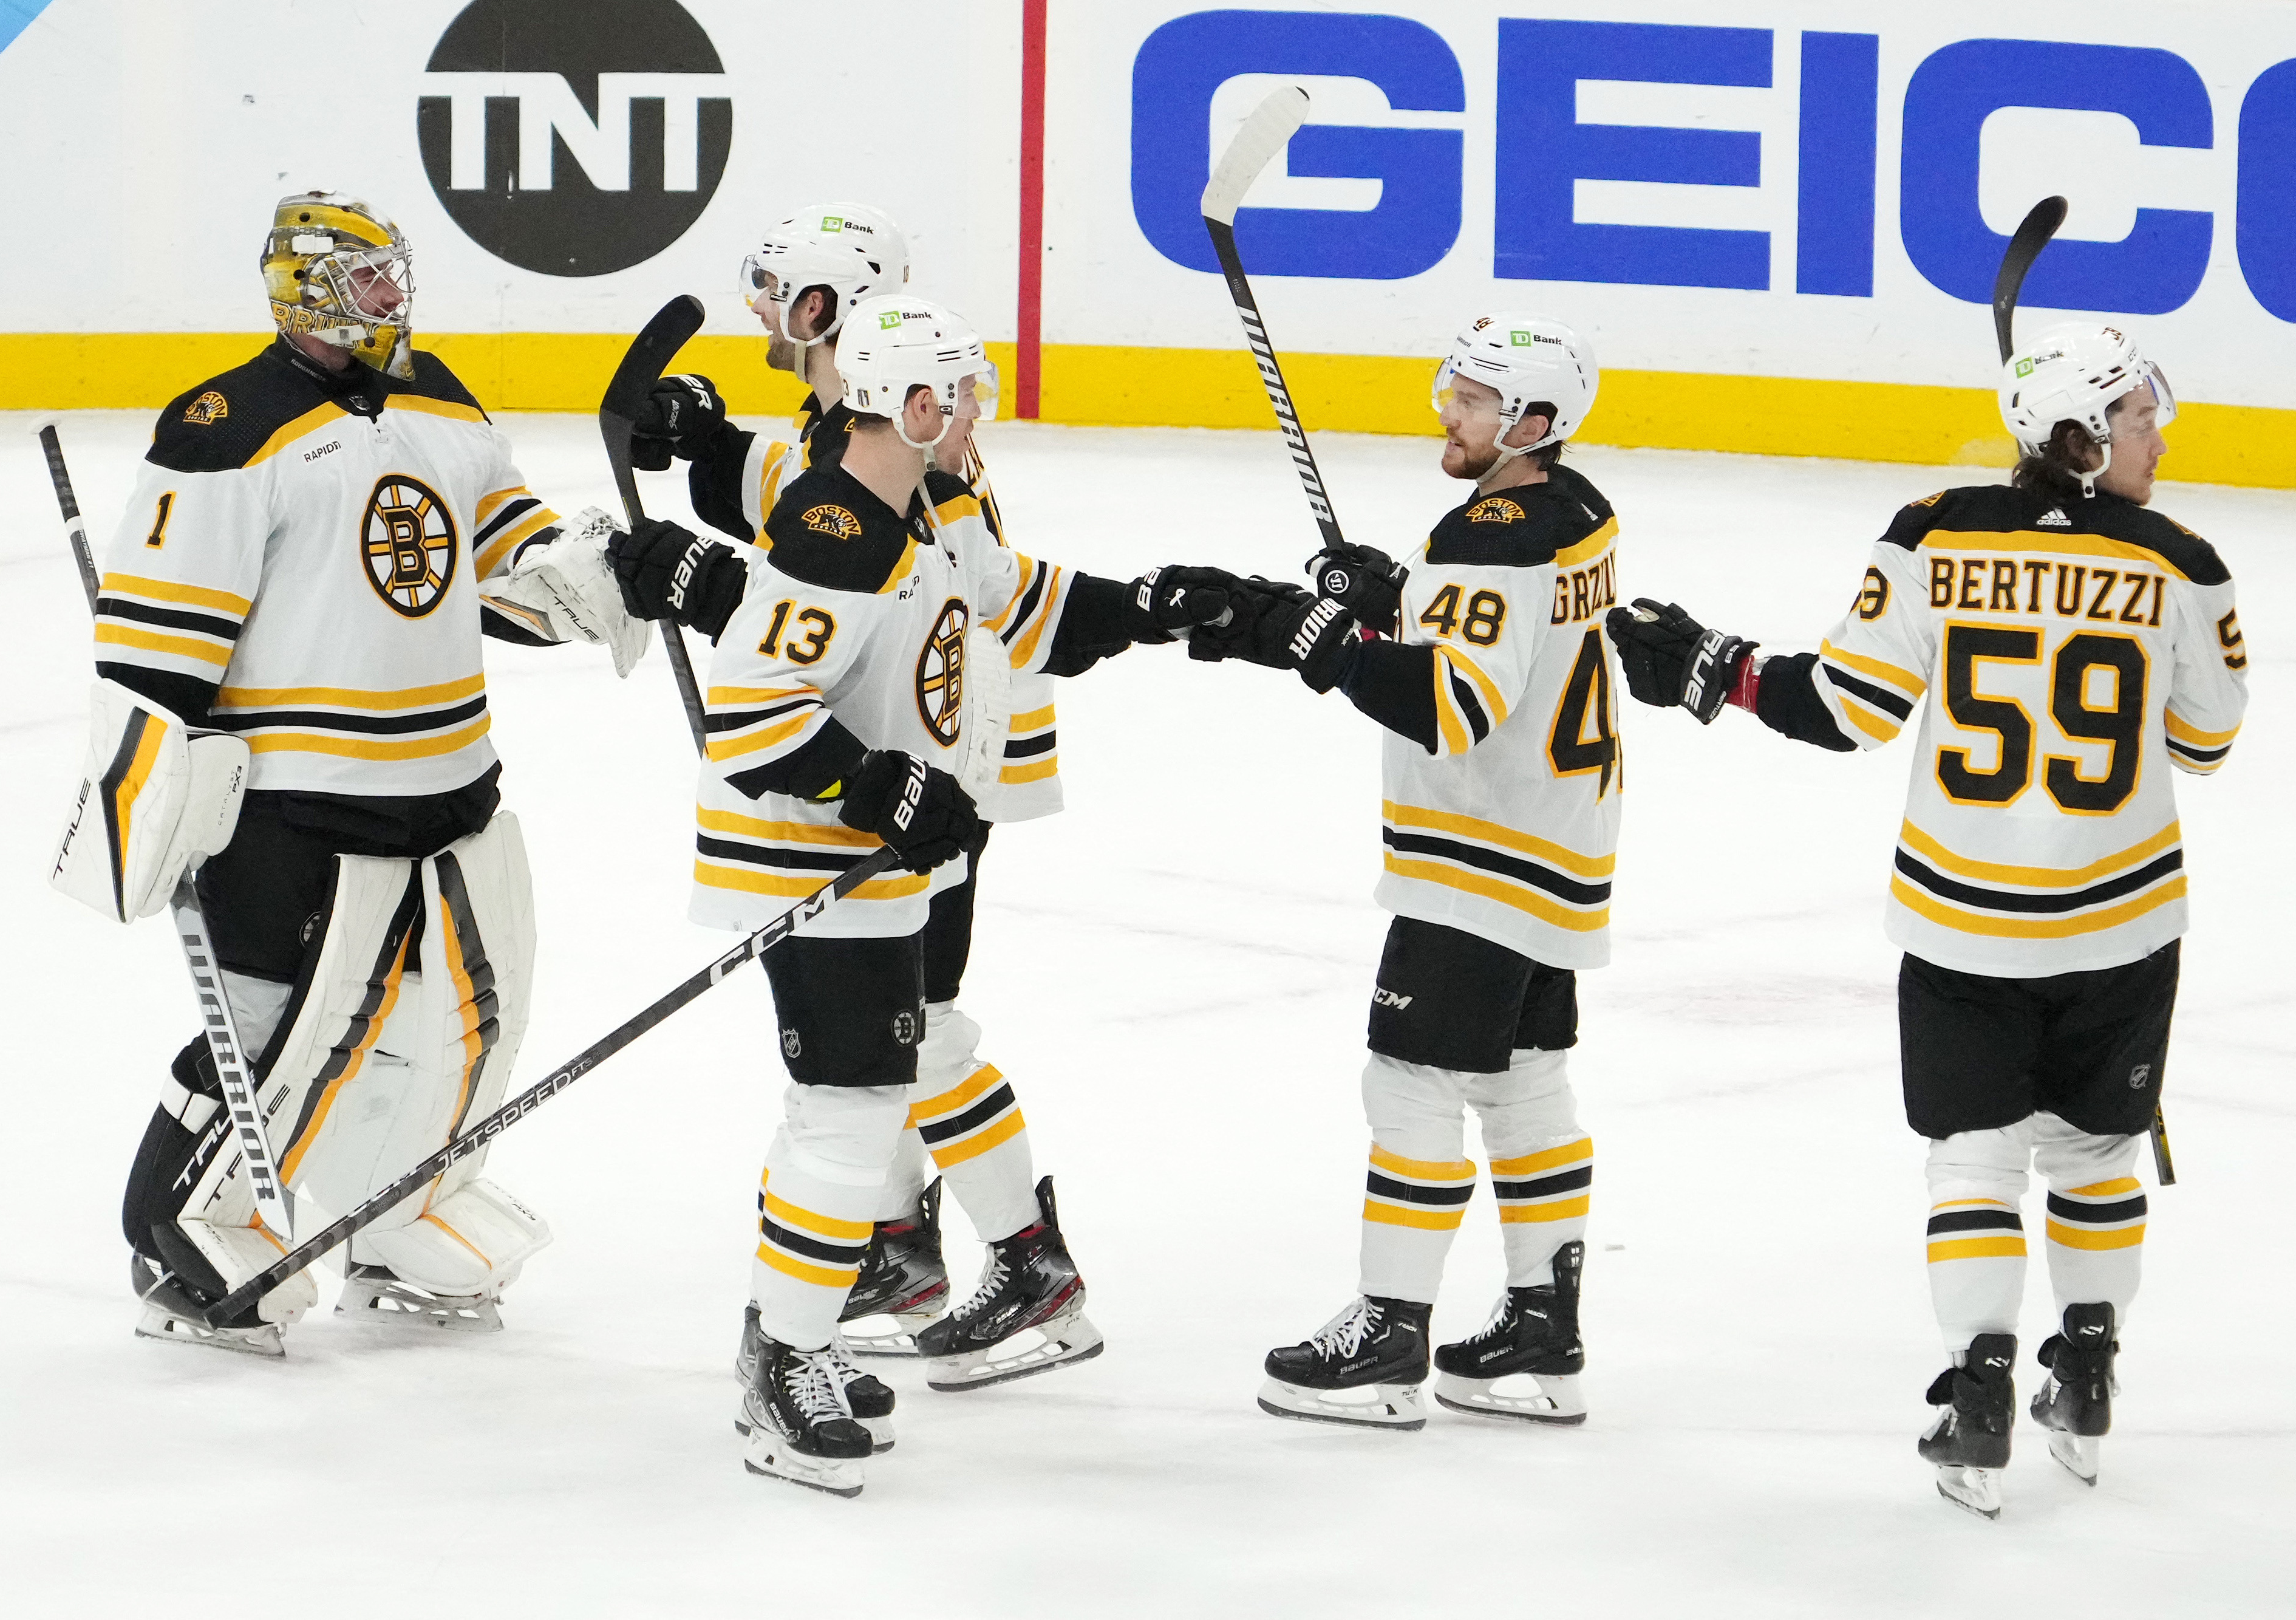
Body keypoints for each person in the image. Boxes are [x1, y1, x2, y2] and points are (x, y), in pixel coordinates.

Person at [1603, 323, 2246, 1517]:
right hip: (2120, 926)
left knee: (1975, 1157)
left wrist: (1714, 667)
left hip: (1963, 923)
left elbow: (1844, 707)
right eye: (2140, 418)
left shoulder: (1931, 531)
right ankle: (2087, 1368)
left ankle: (1981, 1382)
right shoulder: (2182, 559)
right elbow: (2205, 743)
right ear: (2084, 436)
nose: (2160, 435)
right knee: (2095, 1153)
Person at [615, 295, 1238, 1496]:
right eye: (955, 392)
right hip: (802, 855)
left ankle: (786, 1339)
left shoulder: (934, 508)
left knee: (853, 1104)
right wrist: (883, 789)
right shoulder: (835, 529)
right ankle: (782, 1362)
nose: (974, 412)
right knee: (847, 1113)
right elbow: (754, 725)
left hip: (869, 856)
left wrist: (1155, 607)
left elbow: (1027, 609)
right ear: (904, 400)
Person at [48, 191, 641, 1356]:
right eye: (369, 280)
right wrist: (152, 798)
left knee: (470, 1016)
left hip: (451, 786)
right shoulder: (227, 425)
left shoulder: (439, 396)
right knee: (284, 1035)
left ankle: (403, 1207)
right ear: (307, 286)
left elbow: (507, 563)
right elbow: (155, 651)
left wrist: (616, 571)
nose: (392, 297)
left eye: (393, 276)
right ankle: (181, 1223)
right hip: (293, 808)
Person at [618, 205, 1079, 1370]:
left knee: (900, 1046)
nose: (763, 310)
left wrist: (712, 588)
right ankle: (911, 1244)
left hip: (940, 783)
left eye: (779, 291)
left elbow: (871, 594)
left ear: (824, 311)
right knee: (899, 1048)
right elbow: (799, 521)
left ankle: (989, 1258)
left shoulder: (924, 475)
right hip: (915, 774)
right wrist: (709, 446)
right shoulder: (851, 431)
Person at [1193, 315, 1619, 1433]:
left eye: (1476, 403)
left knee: (1411, 1081)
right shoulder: (1576, 512)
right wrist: (1394, 596)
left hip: (1484, 854)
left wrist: (1316, 636)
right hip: (1559, 846)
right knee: (1524, 1082)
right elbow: (1499, 639)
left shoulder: (1490, 537)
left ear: (1533, 424)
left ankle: (1389, 1334)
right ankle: (1543, 1329)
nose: (1451, 413)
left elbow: (1452, 706)